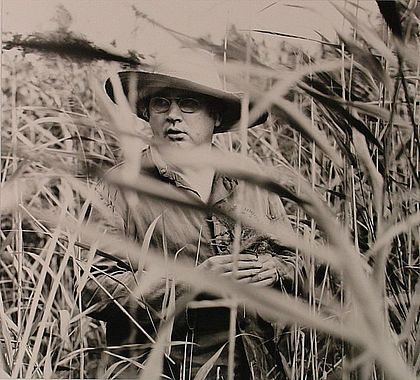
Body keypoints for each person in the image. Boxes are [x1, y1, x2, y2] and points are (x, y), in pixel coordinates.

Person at [83, 48, 293, 379]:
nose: (173, 116)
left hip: (253, 367)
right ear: (147, 113)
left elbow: (297, 260)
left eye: (189, 104)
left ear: (217, 116)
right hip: (160, 368)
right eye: (160, 103)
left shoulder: (253, 180)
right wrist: (190, 282)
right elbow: (94, 289)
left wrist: (275, 269)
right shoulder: (119, 186)